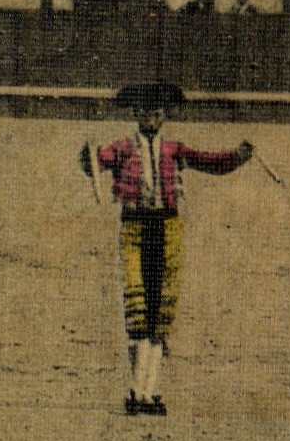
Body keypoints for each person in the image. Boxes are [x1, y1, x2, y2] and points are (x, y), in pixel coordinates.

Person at [80, 84, 254, 416]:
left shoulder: (174, 150)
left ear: (164, 116)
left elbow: (210, 162)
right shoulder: (121, 148)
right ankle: (137, 390)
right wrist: (86, 155)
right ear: (135, 114)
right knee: (138, 304)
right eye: (145, 112)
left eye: (157, 112)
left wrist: (238, 156)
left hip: (167, 229)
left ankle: (149, 392)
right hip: (135, 228)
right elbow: (95, 163)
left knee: (160, 308)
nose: (151, 117)